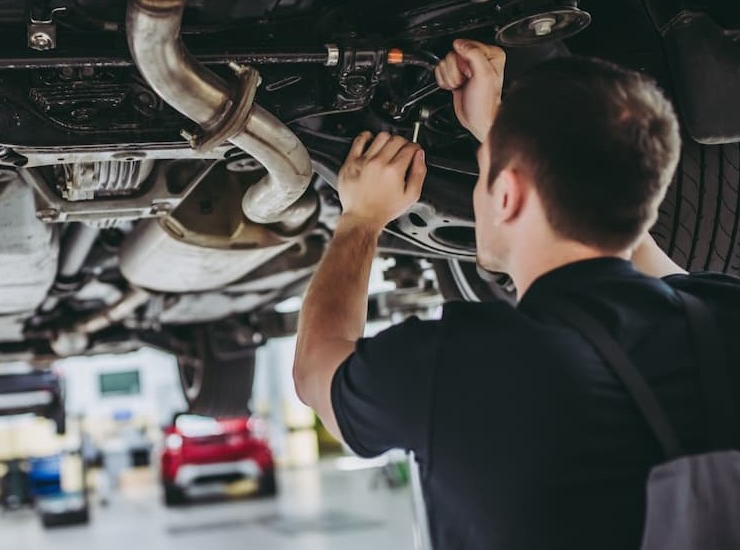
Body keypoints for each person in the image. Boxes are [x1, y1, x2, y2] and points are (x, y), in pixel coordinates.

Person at [293, 39, 739, 550]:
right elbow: (631, 234)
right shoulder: (723, 316)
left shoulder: (462, 365)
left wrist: (361, 218)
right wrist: (501, 132)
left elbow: (315, 372)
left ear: (507, 193)